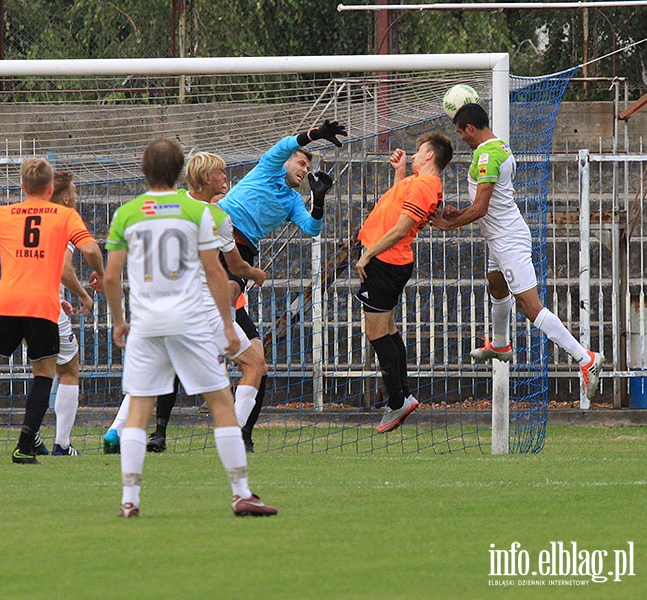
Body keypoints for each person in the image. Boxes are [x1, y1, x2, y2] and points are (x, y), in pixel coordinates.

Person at [103, 138, 276, 517]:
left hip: (147, 324)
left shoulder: (126, 213)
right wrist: (228, 325)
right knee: (221, 404)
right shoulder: (205, 215)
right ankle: (241, 493)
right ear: (181, 169)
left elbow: (112, 276)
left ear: (144, 170)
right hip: (192, 321)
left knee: (139, 411)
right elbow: (216, 271)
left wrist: (119, 320)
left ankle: (129, 500)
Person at [431, 103, 604, 400]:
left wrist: (450, 224)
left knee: (530, 306)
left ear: (471, 128)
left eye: (461, 132)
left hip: (508, 239)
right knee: (496, 286)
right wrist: (457, 213)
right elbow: (490, 203)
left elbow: (482, 207)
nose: (461, 138)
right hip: (499, 237)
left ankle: (585, 358)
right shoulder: (500, 148)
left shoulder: (486, 155)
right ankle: (500, 344)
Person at [0, 158, 105, 465]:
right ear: (50, 188)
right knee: (44, 374)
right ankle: (23, 446)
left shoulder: (3, 214)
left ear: (22, 187)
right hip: (42, 306)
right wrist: (98, 272)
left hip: (5, 303)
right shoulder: (63, 215)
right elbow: (89, 249)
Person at [217, 119, 345, 450]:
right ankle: (161, 427)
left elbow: (312, 228)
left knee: (259, 365)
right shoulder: (268, 169)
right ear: (287, 162)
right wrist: (315, 135)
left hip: (242, 258)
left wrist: (318, 200)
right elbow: (288, 142)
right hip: (218, 241)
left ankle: (240, 434)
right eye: (301, 162)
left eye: (308, 166)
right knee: (214, 318)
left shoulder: (291, 201)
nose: (304, 169)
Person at [355, 133, 454, 433]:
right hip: (391, 261)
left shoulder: (425, 185)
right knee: (388, 329)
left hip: (385, 261)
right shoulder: (419, 182)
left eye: (419, 151)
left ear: (429, 157)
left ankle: (397, 400)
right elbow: (397, 204)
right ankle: (404, 394)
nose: (413, 154)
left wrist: (367, 255)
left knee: (376, 333)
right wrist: (399, 173)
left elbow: (400, 229)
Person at [30, 171, 100, 456]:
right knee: (69, 370)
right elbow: (63, 268)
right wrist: (82, 294)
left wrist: (60, 298)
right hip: (46, 308)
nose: (78, 198)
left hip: (24, 304)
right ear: (66, 197)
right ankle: (62, 443)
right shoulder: (64, 222)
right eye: (75, 192)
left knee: (41, 372)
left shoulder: (34, 219)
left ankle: (32, 435)